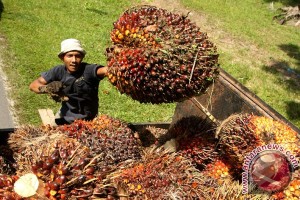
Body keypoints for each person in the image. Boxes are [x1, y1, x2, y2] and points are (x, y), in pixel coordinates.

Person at [29, 38, 108, 125]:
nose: (74, 60)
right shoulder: (58, 71)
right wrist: (47, 88)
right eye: (69, 56)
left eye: (77, 56)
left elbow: (105, 70)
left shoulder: (88, 70)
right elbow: (33, 85)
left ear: (82, 57)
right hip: (64, 118)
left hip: (89, 122)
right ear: (62, 58)